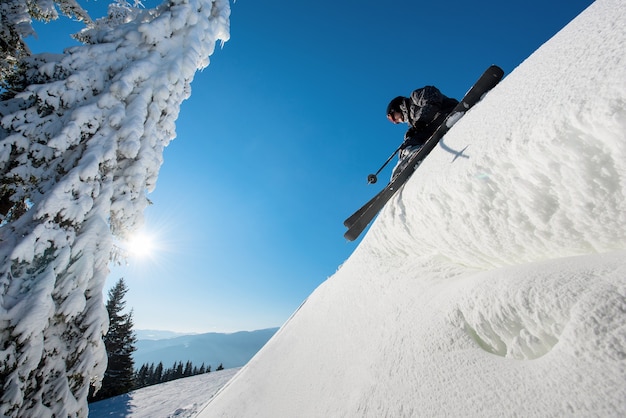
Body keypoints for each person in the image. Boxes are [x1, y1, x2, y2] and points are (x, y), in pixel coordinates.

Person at [386, 86, 458, 177]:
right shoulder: (414, 121)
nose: (396, 122)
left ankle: (412, 156)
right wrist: (414, 130)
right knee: (408, 141)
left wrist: (422, 120)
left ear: (397, 108)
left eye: (393, 118)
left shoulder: (414, 97)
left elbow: (433, 96)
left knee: (410, 143)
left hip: (447, 112)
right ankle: (404, 166)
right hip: (437, 125)